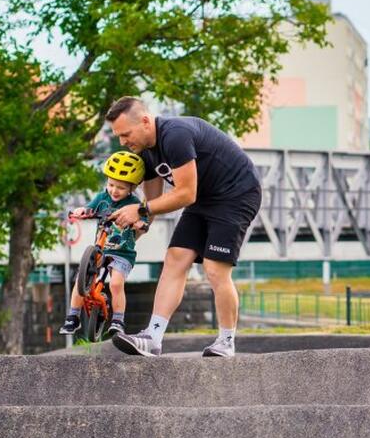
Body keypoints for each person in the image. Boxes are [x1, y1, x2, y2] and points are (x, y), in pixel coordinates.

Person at [106, 97, 262, 357]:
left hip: (236, 194)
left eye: (125, 134)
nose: (122, 142)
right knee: (175, 258)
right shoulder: (144, 151)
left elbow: (185, 194)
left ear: (145, 121)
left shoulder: (175, 136)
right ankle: (152, 338)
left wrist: (141, 210)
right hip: (203, 198)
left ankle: (226, 341)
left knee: (214, 269)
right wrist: (132, 234)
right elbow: (153, 204)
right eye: (118, 136)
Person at [59, 150, 150, 339]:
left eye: (121, 188)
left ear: (132, 188)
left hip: (122, 254)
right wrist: (81, 211)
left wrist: (141, 223)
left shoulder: (133, 204)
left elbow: (143, 220)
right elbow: (89, 208)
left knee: (116, 284)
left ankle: (117, 320)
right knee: (80, 281)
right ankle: (73, 316)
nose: (114, 190)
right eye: (111, 184)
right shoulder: (103, 198)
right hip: (100, 250)